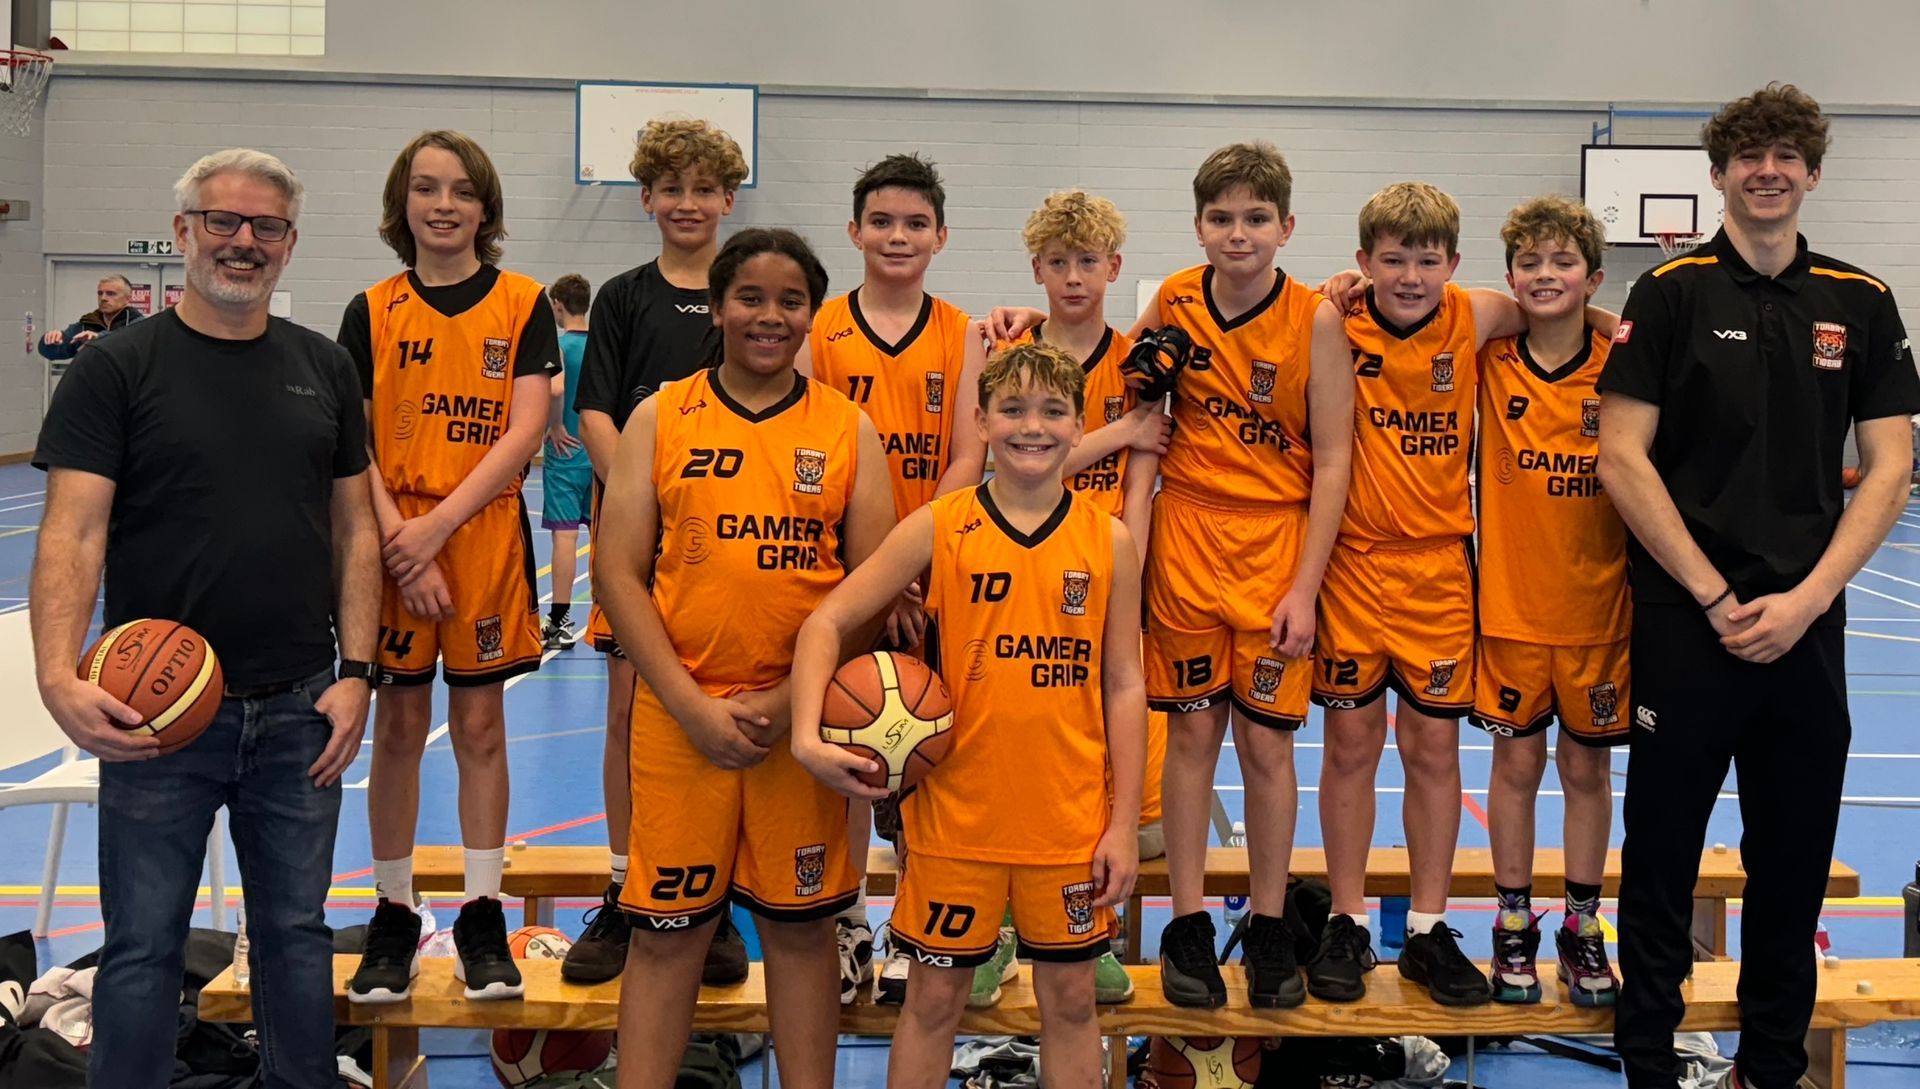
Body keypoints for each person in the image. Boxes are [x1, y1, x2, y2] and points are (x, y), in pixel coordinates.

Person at [31, 148, 379, 1089]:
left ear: (290, 244)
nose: (243, 242)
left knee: (295, 934)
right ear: (183, 232)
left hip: (301, 706)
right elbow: (72, 531)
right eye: (223, 221)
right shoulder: (117, 367)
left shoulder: (324, 366)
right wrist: (57, 675)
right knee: (143, 943)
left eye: (267, 227)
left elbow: (356, 530)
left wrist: (358, 672)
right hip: (153, 716)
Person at [1599, 82, 1920, 1089]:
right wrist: (1709, 593)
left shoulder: (1861, 300)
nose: (1768, 171)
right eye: (1750, 156)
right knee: (1660, 863)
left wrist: (1809, 599)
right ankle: (1649, 1064)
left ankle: (1770, 1069)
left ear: (1813, 172)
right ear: (1720, 173)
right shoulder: (1670, 291)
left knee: (1791, 865)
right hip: (1685, 624)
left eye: (1787, 156)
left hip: (1806, 630)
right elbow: (1620, 455)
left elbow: (1892, 465)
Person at [791, 339, 1146, 1089]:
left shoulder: (1109, 540)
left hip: (1068, 821)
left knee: (1072, 1002)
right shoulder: (940, 524)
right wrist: (804, 737)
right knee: (933, 1000)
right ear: (981, 422)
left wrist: (1121, 824)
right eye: (1011, 409)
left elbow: (1123, 683)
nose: (1032, 426)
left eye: (1052, 410)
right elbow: (827, 622)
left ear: (1080, 426)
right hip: (955, 820)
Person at [593, 228, 895, 1089]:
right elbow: (617, 573)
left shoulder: (846, 428)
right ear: (719, 307)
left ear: (811, 314)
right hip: (680, 720)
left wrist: (787, 700)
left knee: (801, 934)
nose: (770, 315)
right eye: (751, 297)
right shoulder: (660, 415)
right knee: (667, 934)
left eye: (790, 301)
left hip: (798, 728)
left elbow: (869, 592)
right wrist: (691, 706)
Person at [1308, 181, 1616, 1007]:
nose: (1409, 276)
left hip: (1441, 567)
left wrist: (1620, 325)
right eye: (1391, 260)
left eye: (1426, 259)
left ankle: (1428, 926)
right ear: (1364, 260)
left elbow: (1565, 309)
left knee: (1433, 751)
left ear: (1453, 262)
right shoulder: (1334, 318)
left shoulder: (1476, 315)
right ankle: (1346, 918)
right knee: (1349, 746)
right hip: (1352, 564)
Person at [339, 129, 557, 1004]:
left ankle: (482, 911)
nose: (444, 204)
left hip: (480, 536)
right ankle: (394, 910)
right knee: (396, 728)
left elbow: (525, 430)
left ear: (485, 207)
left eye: (463, 190)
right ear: (403, 202)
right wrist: (403, 539)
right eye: (427, 188)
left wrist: (435, 531)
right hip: (393, 536)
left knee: (480, 728)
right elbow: (353, 441)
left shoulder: (522, 301)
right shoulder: (371, 309)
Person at [796, 152, 988, 1002]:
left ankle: (918, 920)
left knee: (928, 750)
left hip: (940, 570)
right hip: (843, 571)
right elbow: (813, 450)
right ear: (854, 232)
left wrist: (916, 560)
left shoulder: (965, 332)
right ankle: (847, 920)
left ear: (941, 236)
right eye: (882, 221)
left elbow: (970, 454)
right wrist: (880, 571)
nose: (897, 236)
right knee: (848, 744)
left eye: (915, 223)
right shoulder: (820, 331)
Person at [564, 118, 751, 988]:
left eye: (703, 188)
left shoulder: (745, 293)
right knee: (628, 717)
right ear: (645, 197)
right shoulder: (623, 297)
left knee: (717, 717)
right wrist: (652, 502)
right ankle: (624, 887)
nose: (687, 202)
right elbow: (594, 413)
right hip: (640, 545)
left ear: (728, 199)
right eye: (671, 187)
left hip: (728, 548)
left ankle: (709, 903)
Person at [992, 187, 1170, 1006]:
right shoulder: (1011, 350)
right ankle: (997, 928)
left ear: (1114, 267)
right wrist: (1119, 431)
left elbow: (1141, 483)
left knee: (1099, 759)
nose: (1073, 277)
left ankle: (1088, 928)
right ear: (1036, 268)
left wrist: (1124, 579)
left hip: (1104, 567)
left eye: (1087, 261)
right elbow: (1020, 459)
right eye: (1058, 262)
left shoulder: (1139, 361)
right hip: (1018, 559)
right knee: (1014, 745)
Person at [1469, 195, 1627, 1007]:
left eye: (1563, 262)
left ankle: (1582, 923)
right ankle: (1511, 923)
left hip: (1601, 613)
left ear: (1592, 276)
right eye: (1529, 262)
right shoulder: (1490, 358)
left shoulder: (1622, 361)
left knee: (1586, 768)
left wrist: (1611, 323)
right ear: (1510, 276)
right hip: (1510, 611)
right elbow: (1439, 308)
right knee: (1517, 765)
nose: (1544, 274)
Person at [540, 272, 592, 650]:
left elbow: (556, 388)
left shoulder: (558, 346)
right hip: (600, 452)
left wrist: (555, 424)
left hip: (565, 453)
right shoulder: (605, 346)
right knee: (604, 538)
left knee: (565, 536)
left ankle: (558, 622)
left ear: (558, 306)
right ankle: (611, 620)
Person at [38, 274, 141, 359]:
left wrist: (98, 338)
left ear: (128, 299)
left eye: (111, 294)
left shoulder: (139, 323)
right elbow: (57, 352)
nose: (103, 298)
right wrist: (51, 341)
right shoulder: (88, 323)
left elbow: (124, 341)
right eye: (100, 293)